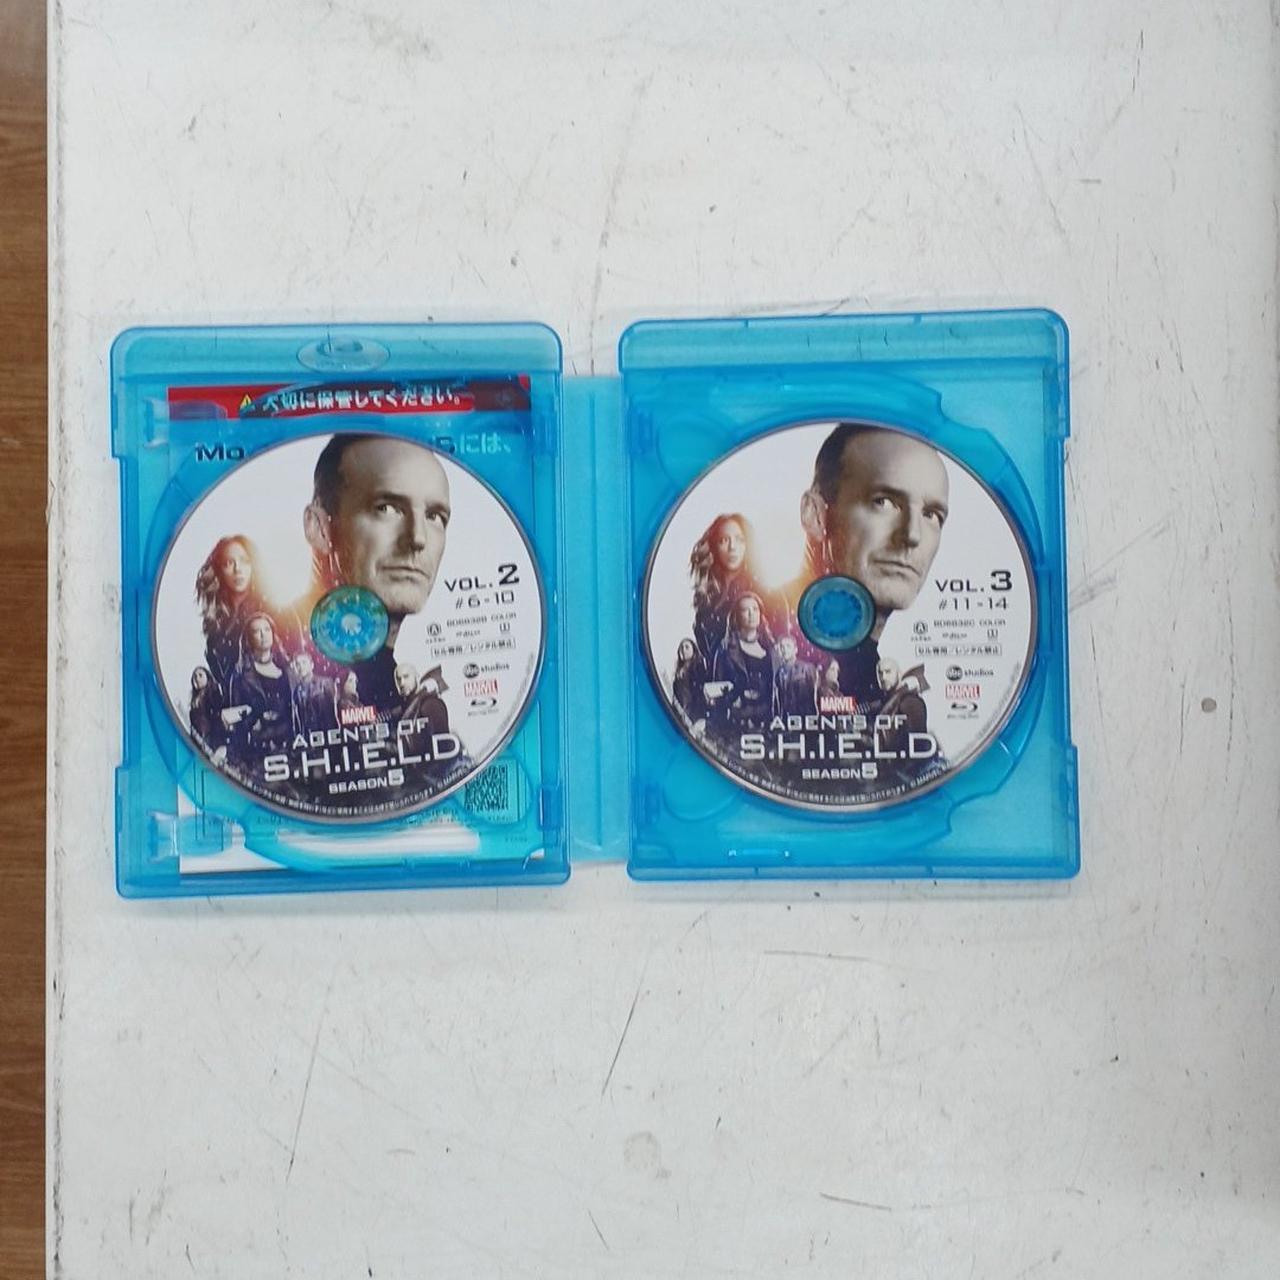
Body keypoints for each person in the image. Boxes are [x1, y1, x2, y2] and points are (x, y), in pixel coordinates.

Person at [786, 423, 950, 706]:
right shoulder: (761, 632)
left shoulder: (880, 676)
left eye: (932, 515)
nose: (912, 535)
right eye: (883, 502)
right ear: (815, 515)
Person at [292, 433, 452, 716]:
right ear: (319, 528)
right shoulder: (280, 650)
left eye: (434, 516)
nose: (418, 538)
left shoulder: (398, 683)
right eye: (387, 508)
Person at [688, 513, 786, 664]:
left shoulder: (765, 590)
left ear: (748, 545)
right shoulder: (708, 593)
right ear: (714, 546)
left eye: (740, 540)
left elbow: (782, 640)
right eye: (724, 540)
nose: (732, 547)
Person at [195, 534, 267, 697]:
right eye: (228, 563)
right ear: (219, 571)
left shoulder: (269, 613)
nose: (238, 569)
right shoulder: (216, 622)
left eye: (245, 561)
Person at [222, 613, 293, 764]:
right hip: (257, 750)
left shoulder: (288, 669)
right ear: (249, 638)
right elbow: (235, 715)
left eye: (267, 629)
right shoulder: (240, 674)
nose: (263, 635)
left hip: (290, 745)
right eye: (256, 631)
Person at [707, 592, 774, 733]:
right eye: (745, 610)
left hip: (767, 723)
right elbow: (717, 687)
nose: (751, 614)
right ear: (737, 616)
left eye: (755, 609)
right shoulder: (725, 648)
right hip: (736, 723)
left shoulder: (771, 648)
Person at [289, 650, 339, 737]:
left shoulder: (325, 683)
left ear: (311, 665)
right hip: (308, 737)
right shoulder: (297, 691)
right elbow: (298, 719)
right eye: (297, 664)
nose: (301, 667)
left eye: (304, 663)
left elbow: (335, 711)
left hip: (328, 734)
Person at [772, 633, 818, 719]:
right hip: (786, 720)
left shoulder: (807, 668)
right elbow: (778, 701)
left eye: (788, 646)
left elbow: (816, 696)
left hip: (805, 719)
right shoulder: (779, 673)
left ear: (795, 650)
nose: (785, 650)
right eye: (782, 647)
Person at [671, 638, 708, 735]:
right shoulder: (678, 672)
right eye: (682, 648)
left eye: (687, 647)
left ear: (693, 649)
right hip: (680, 711)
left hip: (695, 713)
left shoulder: (698, 667)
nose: (684, 650)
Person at [187, 665, 225, 756]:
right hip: (198, 738)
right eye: (195, 676)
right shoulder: (194, 700)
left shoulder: (214, 693)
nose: (197, 678)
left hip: (212, 738)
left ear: (207, 677)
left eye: (200, 675)